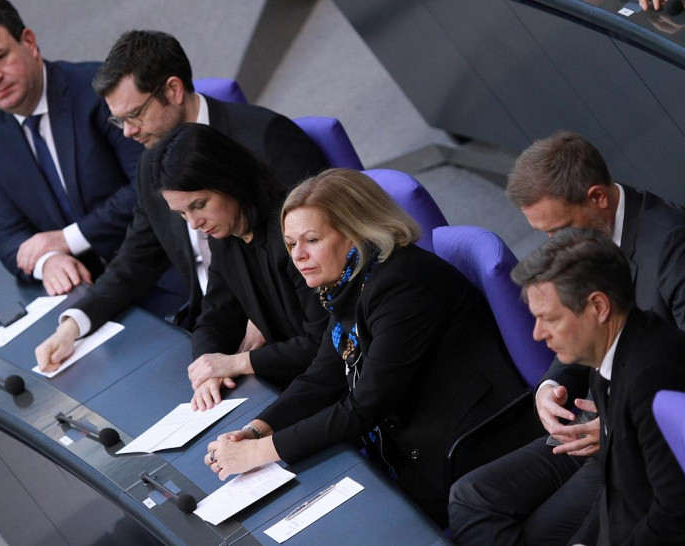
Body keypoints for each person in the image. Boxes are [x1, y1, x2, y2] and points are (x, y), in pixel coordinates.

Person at [202, 168, 526, 527]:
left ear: (356, 232)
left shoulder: (402, 285)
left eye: (312, 240)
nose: (298, 256)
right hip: (407, 440)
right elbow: (321, 378)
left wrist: (259, 453)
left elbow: (366, 406)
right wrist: (256, 430)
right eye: (291, 244)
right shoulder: (350, 282)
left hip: (466, 448)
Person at [34, 30, 328, 406]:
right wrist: (75, 323)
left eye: (135, 115)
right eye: (117, 121)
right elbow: (137, 258)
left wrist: (258, 320)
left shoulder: (266, 139)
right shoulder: (150, 167)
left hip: (293, 337)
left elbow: (317, 250)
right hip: (213, 330)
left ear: (173, 90)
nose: (127, 132)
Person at [448, 131, 685, 545]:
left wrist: (614, 428)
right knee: (472, 497)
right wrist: (552, 383)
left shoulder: (670, 245)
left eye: (559, 229)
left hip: (642, 437)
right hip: (595, 414)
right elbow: (578, 327)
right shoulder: (584, 243)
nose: (552, 244)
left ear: (598, 198)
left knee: (542, 533)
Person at [512, 228, 685, 545]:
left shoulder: (654, 379)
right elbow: (617, 491)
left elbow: (675, 515)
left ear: (599, 307)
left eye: (549, 318)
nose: (537, 334)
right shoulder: (605, 357)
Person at [0, 0, 142, 295]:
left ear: (28, 42)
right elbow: (10, 235)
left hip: (158, 273)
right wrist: (48, 260)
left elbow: (148, 186)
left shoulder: (99, 92)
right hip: (86, 292)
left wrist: (68, 239)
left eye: (0, 57)